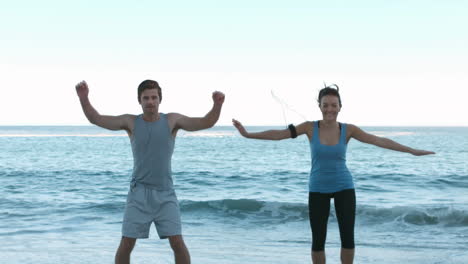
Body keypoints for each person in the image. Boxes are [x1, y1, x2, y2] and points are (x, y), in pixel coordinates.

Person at [232, 84, 434, 264]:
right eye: (325, 105)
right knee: (318, 240)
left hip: (344, 187)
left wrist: (411, 151)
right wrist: (248, 135)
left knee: (347, 237)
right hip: (317, 188)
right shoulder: (309, 128)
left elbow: (378, 140)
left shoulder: (349, 130)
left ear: (340, 107)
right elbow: (278, 135)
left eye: (333, 105)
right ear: (319, 106)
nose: (330, 109)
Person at [75, 79, 225, 264]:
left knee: (177, 242)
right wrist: (84, 98)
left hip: (166, 193)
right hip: (138, 193)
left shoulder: (171, 121)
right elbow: (96, 119)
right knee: (127, 242)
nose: (150, 101)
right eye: (146, 98)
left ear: (160, 99)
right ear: (139, 100)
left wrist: (217, 105)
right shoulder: (130, 122)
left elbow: (205, 122)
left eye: (154, 97)